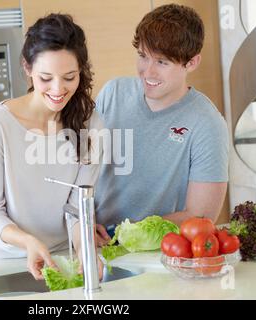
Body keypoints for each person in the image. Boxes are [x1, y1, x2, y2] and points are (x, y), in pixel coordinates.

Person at [0, 14, 104, 280]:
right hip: (2, 266)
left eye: (69, 77)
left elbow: (77, 209)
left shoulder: (91, 124)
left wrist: (84, 251)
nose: (58, 89)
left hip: (61, 263)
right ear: (27, 68)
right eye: (46, 78)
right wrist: (28, 241)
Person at [93, 4, 229, 242]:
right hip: (95, 243)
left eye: (162, 62)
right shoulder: (113, 93)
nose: (148, 72)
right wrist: (84, 224)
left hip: (156, 253)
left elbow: (201, 215)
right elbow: (82, 168)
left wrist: (127, 233)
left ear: (192, 63)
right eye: (143, 57)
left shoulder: (207, 123)